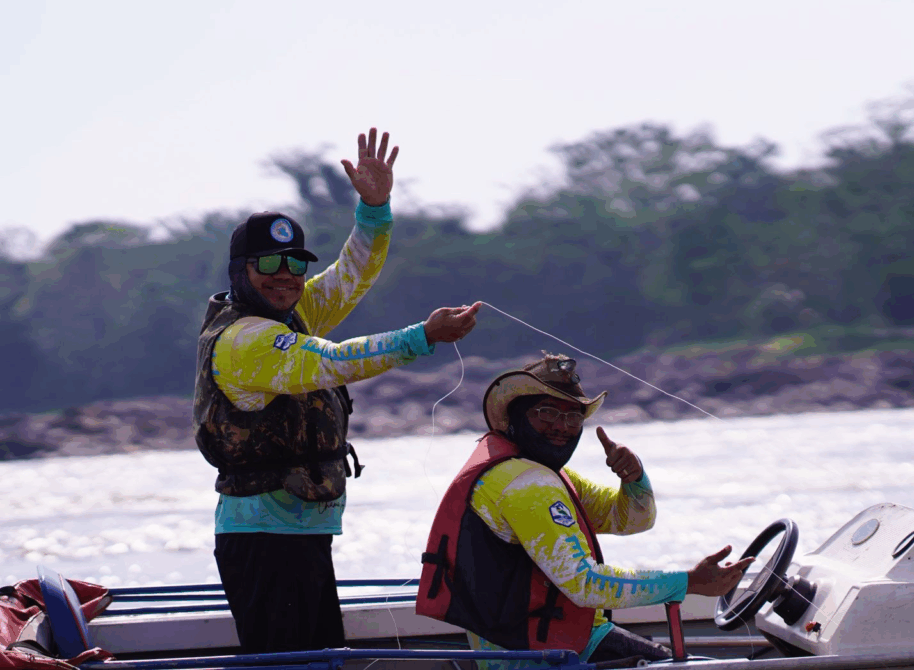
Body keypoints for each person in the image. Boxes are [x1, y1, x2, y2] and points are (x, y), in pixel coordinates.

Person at [192, 128, 481, 654]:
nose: (286, 276)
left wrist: (374, 208)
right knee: (289, 665)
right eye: (269, 264)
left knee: (323, 657)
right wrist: (422, 336)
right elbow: (335, 360)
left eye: (295, 264)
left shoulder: (293, 311)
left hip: (306, 528)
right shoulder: (244, 340)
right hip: (261, 536)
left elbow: (352, 274)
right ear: (240, 273)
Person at [416, 352, 754, 667]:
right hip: (538, 652)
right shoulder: (528, 483)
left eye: (573, 416)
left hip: (544, 639)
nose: (561, 426)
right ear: (517, 416)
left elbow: (632, 520)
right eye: (547, 413)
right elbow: (585, 583)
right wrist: (689, 582)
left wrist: (634, 478)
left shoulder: (544, 474)